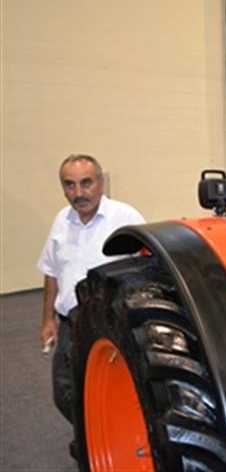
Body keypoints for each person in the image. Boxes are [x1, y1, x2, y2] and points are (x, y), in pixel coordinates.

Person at [38, 154, 144, 423]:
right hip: (70, 323)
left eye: (86, 183)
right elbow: (51, 272)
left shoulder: (125, 218)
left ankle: (111, 438)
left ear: (100, 183)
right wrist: (48, 320)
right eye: (70, 185)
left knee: (113, 391)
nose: (78, 193)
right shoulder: (61, 221)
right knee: (64, 391)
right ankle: (91, 437)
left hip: (111, 325)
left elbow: (147, 267)